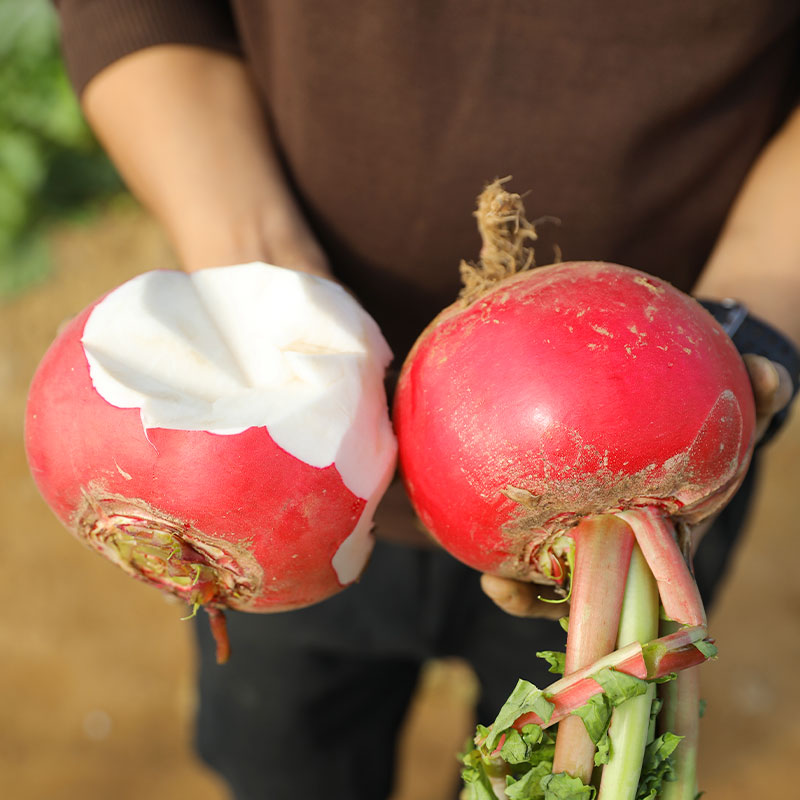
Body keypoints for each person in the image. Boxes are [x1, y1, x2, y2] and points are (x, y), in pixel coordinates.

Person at [53, 3, 799, 798]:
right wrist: (266, 288)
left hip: (667, 417)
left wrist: (750, 314)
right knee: (285, 751)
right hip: (291, 498)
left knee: (568, 741)